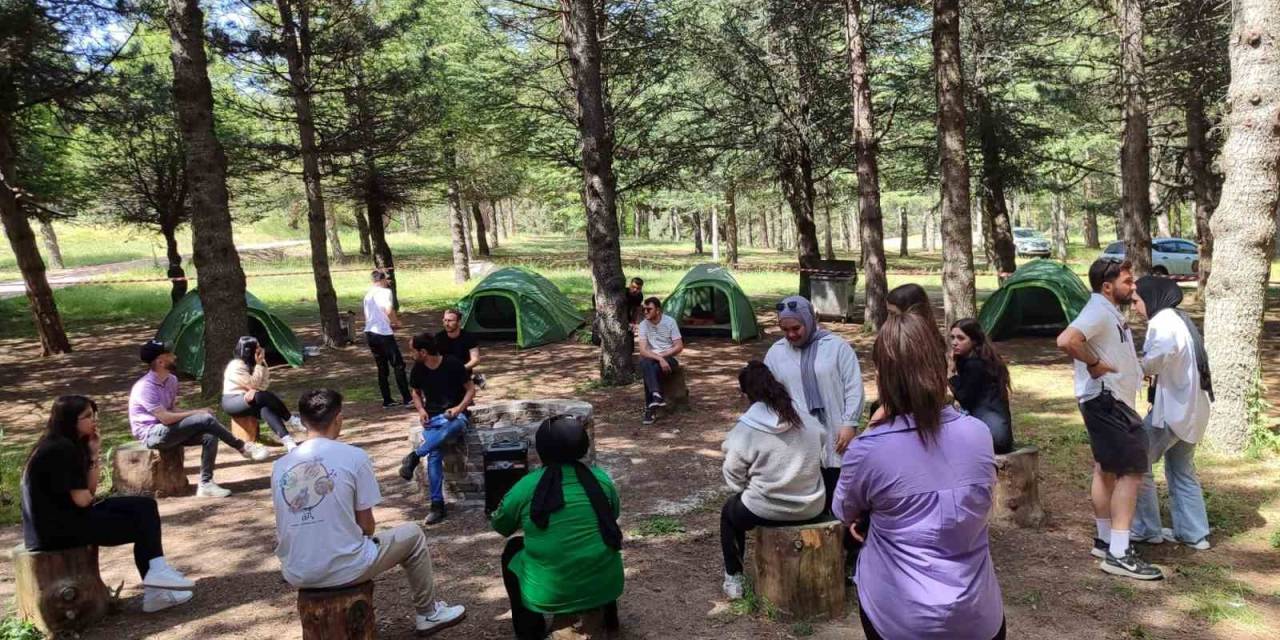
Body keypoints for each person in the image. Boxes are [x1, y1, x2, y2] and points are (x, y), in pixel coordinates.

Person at [834, 308, 1006, 640]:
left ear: (884, 376)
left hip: (899, 619)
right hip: (979, 615)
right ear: (941, 367)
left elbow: (844, 511)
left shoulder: (868, 448)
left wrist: (872, 429)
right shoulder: (978, 434)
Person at [271, 389, 465, 636]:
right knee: (414, 535)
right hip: (344, 567)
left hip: (296, 570)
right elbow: (367, 527)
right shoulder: (354, 457)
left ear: (303, 420)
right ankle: (428, 613)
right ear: (338, 418)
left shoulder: (280, 466)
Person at [23, 396, 196, 613]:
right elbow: (83, 498)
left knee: (144, 506)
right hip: (56, 532)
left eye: (94, 415)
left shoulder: (66, 444)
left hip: (67, 519)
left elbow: (90, 491)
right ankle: (156, 584)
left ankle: (157, 575)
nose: (94, 421)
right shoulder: (61, 449)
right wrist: (96, 500)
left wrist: (94, 453)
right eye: (86, 416)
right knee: (141, 522)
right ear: (68, 421)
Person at [1056, 259, 1163, 580]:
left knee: (1106, 469)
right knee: (1131, 472)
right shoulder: (1098, 310)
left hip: (1109, 400)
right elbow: (1066, 340)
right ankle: (1119, 553)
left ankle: (1105, 540)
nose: (1133, 289)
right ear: (1107, 286)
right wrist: (1094, 363)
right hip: (1108, 402)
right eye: (1128, 282)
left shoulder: (1107, 311)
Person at [490, 416, 623, 640]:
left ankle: (529, 631)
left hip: (549, 593)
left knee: (513, 548)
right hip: (607, 585)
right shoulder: (601, 479)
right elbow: (613, 515)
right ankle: (609, 617)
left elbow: (501, 525)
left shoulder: (526, 485)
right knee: (601, 535)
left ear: (542, 449)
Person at [719, 361, 826, 600]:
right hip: (811, 506)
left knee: (729, 514)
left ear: (746, 394)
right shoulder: (804, 418)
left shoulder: (746, 429)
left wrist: (746, 489)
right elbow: (822, 439)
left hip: (764, 508)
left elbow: (733, 475)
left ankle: (733, 577)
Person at [1131, 276, 1213, 550]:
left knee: (1136, 462)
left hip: (1173, 412)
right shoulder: (1179, 319)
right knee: (1182, 470)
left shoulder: (1162, 322)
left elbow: (1157, 359)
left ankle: (1146, 528)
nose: (1135, 307)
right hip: (1194, 409)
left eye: (1136, 301)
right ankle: (1194, 533)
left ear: (1151, 298)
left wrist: (1136, 367)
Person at [129, 340, 265, 499]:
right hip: (152, 434)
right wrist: (197, 413)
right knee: (204, 419)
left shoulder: (171, 380)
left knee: (209, 435)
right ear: (160, 361)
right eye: (170, 355)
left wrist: (196, 414)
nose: (175, 356)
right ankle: (242, 446)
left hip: (169, 430)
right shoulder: (145, 387)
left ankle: (206, 484)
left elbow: (172, 409)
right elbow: (165, 418)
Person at [763, 296, 863, 509]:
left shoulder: (836, 347)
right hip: (798, 434)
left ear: (808, 320)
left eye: (796, 328)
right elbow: (768, 394)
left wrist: (850, 423)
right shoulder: (776, 353)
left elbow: (853, 387)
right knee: (808, 490)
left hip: (836, 430)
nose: (791, 334)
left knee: (839, 490)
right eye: (785, 330)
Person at [397, 332, 477, 525]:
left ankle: (415, 455)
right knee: (434, 454)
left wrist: (458, 409)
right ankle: (437, 505)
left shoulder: (453, 364)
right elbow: (415, 393)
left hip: (456, 416)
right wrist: (421, 409)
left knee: (453, 426)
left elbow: (471, 389)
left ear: (423, 352)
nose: (410, 354)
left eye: (412, 350)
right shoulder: (418, 368)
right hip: (433, 418)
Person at [222, 336, 300, 452]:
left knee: (265, 408)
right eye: (257, 347)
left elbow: (263, 385)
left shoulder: (253, 364)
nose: (261, 349)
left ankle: (288, 442)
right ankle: (290, 419)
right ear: (249, 350)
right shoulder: (236, 365)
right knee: (260, 395)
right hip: (232, 401)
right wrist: (258, 368)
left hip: (249, 399)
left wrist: (262, 364)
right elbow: (253, 384)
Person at [949, 318, 1015, 454]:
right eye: (953, 337)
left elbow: (964, 397)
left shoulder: (976, 364)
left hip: (995, 437)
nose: (954, 343)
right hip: (994, 430)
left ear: (974, 341)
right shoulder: (979, 358)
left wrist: (950, 374)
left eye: (961, 338)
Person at [364, 269, 412, 409]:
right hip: (383, 333)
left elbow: (368, 315)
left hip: (370, 332)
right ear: (382, 280)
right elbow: (388, 310)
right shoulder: (385, 292)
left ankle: (387, 400)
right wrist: (396, 322)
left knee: (382, 367)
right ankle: (407, 398)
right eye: (386, 279)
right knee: (398, 365)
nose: (388, 282)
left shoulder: (368, 295)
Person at [636, 297, 684, 425]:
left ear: (658, 310)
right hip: (653, 358)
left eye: (649, 309)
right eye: (644, 309)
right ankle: (656, 395)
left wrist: (663, 357)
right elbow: (643, 350)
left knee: (648, 367)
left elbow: (679, 346)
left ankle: (650, 408)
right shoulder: (643, 325)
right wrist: (659, 358)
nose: (645, 312)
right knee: (647, 364)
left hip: (670, 357)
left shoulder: (670, 322)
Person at [436, 308, 486, 390]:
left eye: (450, 321)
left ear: (459, 322)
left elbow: (475, 360)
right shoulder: (438, 338)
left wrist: (460, 369)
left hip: (463, 370)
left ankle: (472, 380)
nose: (446, 323)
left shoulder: (469, 337)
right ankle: (475, 379)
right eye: (445, 320)